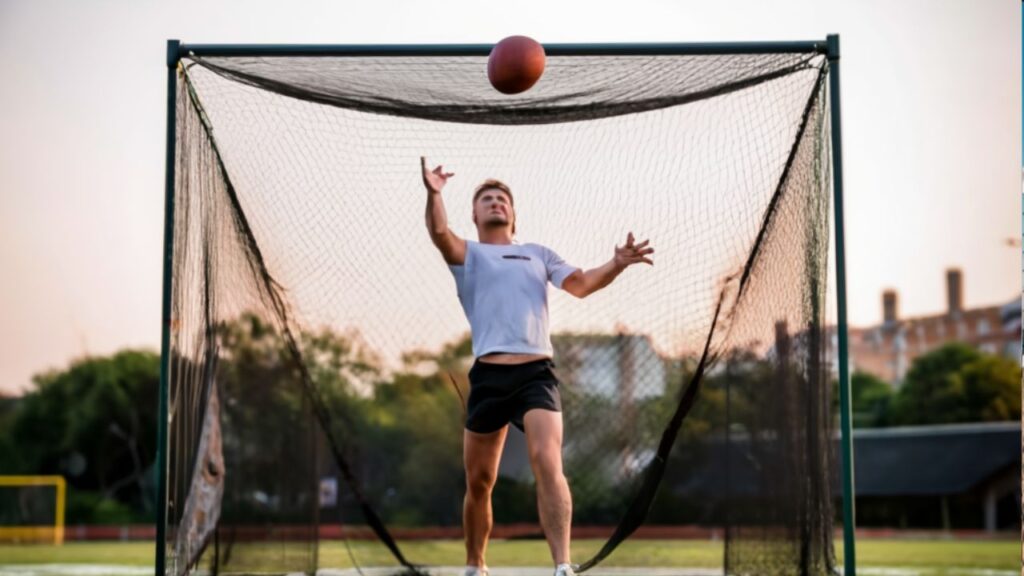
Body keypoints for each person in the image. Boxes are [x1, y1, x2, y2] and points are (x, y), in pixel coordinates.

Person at [421, 157, 654, 576]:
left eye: (502, 199)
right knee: (479, 482)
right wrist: (434, 192)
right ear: (474, 215)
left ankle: (562, 565)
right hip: (489, 377)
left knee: (547, 460)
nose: (496, 202)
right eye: (487, 199)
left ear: (512, 212)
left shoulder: (536, 254)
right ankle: (475, 565)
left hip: (536, 375)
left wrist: (617, 263)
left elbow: (581, 284)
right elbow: (439, 231)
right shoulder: (467, 254)